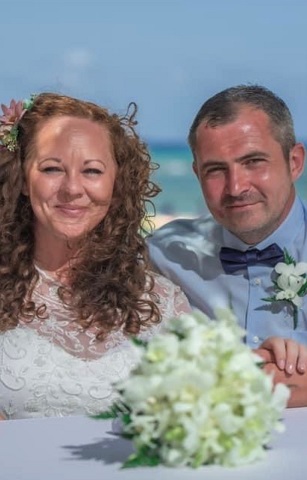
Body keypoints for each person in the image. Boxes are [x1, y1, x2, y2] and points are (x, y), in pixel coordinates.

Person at [0, 93, 192, 420]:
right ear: (23, 180)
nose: (72, 188)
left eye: (91, 171)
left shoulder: (164, 303)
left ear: (116, 183)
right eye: (51, 168)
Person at [148, 85, 307, 407]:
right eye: (216, 170)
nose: (236, 187)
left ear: (294, 162)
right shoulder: (163, 254)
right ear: (196, 173)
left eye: (253, 162)